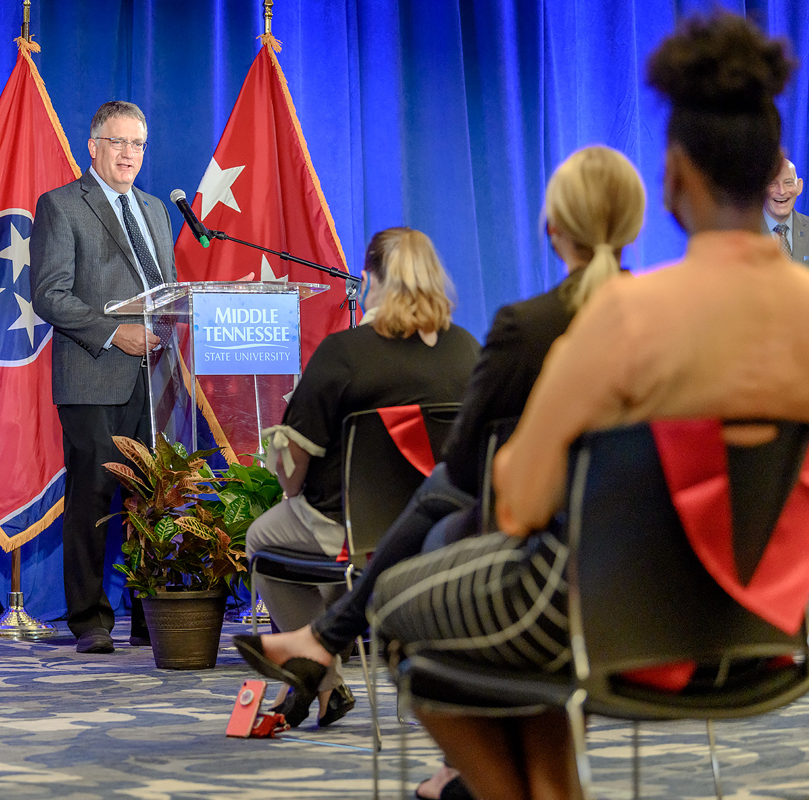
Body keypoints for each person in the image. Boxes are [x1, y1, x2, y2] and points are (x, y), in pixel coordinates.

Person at [370, 14, 806, 800]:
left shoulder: (628, 316)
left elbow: (523, 503)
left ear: (674, 175)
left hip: (608, 621)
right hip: (776, 632)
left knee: (400, 603)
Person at [236, 145, 644, 796]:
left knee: (391, 598)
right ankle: (346, 657)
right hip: (654, 577)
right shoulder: (652, 322)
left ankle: (456, 764)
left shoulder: (523, 328)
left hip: (534, 565)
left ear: (552, 229)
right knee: (433, 533)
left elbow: (465, 468)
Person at [240, 228, 480, 727]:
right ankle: (330, 658)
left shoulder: (344, 352)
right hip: (445, 530)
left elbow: (292, 475)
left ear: (370, 279)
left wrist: (282, 465)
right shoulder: (466, 350)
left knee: (262, 539)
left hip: (348, 530)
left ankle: (322, 677)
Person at [30, 101, 176, 654]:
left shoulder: (158, 211)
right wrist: (117, 332)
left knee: (154, 496)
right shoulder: (63, 206)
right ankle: (90, 619)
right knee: (94, 495)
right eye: (119, 142)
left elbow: (169, 290)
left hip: (155, 378)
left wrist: (166, 324)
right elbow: (49, 295)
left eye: (138, 144)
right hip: (93, 374)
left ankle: (152, 613)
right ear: (93, 147)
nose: (129, 154)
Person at [763, 157, 808, 264]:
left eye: (788, 183)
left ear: (799, 186)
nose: (781, 191)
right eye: (773, 183)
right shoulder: (746, 233)